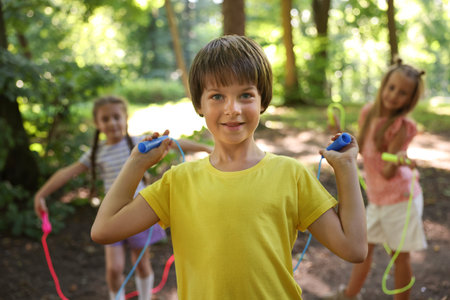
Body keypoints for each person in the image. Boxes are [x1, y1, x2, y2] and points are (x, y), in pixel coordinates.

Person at [91, 35, 367, 300]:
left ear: (263, 101)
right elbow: (104, 229)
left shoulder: (290, 175)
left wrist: (346, 168)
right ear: (199, 103)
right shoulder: (178, 182)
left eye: (245, 95)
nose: (232, 108)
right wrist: (135, 164)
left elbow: (353, 248)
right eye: (217, 96)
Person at [34, 95, 212, 300]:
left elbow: (174, 142)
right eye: (106, 119)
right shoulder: (96, 153)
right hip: (113, 217)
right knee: (114, 269)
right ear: (97, 124)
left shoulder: (138, 143)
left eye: (116, 117)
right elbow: (67, 172)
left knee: (142, 264)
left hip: (139, 213)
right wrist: (41, 194)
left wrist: (206, 148)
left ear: (125, 118)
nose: (112, 123)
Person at [325, 59, 427, 300]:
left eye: (402, 93)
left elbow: (389, 172)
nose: (394, 95)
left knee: (399, 256)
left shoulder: (403, 126)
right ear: (384, 85)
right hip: (377, 198)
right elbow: (360, 148)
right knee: (363, 248)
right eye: (391, 88)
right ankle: (350, 295)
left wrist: (397, 159)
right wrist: (341, 132)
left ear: (410, 99)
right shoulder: (368, 112)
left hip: (401, 200)